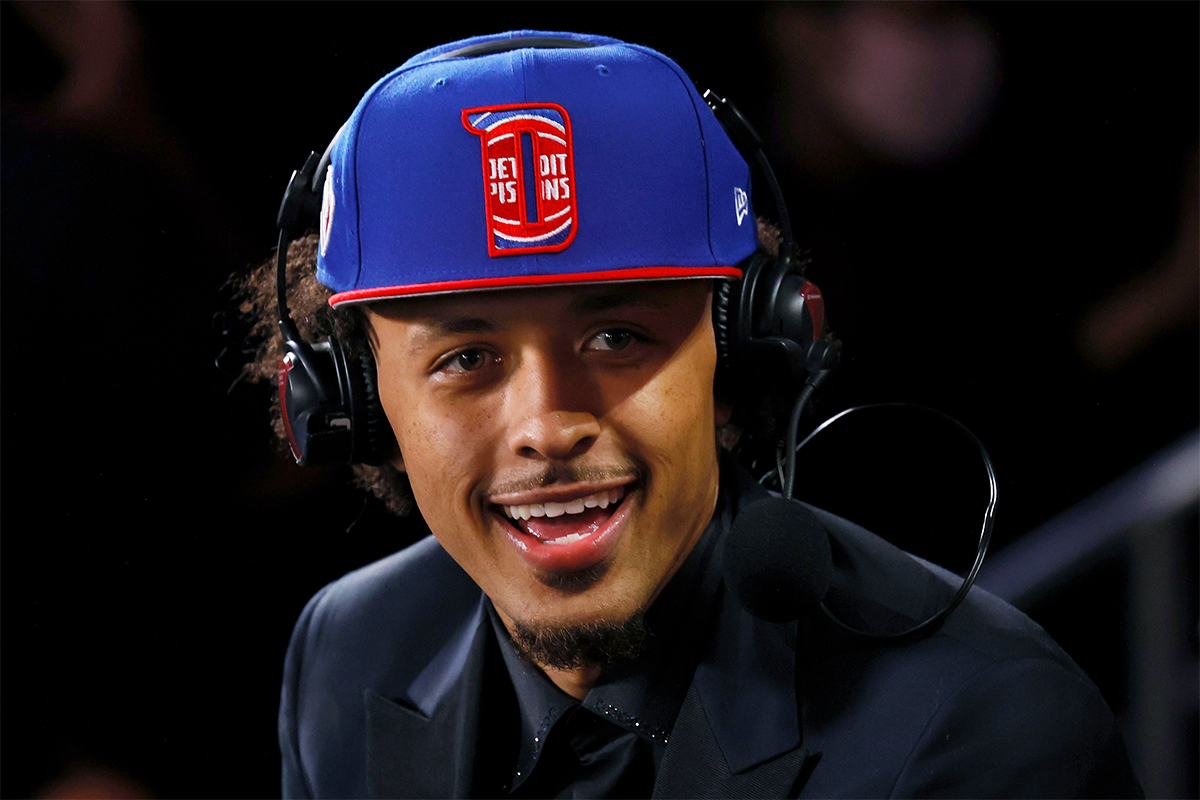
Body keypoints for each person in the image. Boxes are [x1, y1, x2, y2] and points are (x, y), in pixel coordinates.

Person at [239, 31, 1142, 798]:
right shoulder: (347, 649)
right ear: (356, 400)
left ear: (743, 355)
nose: (547, 426)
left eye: (617, 338)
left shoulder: (987, 730)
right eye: (466, 359)